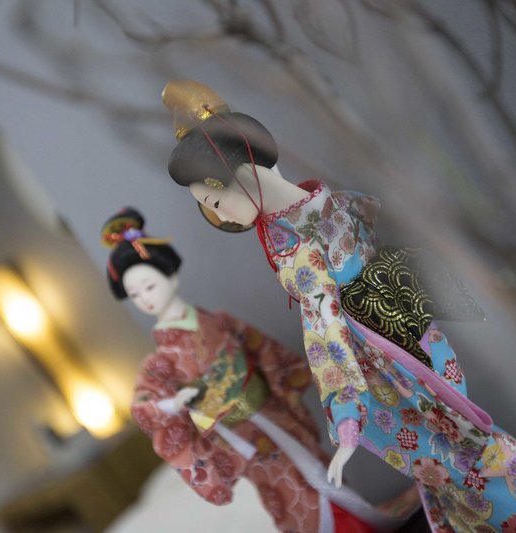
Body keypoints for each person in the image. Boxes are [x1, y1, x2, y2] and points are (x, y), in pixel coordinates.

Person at [161, 80, 516, 532]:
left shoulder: (297, 253)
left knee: (466, 464)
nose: (219, 216)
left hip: (387, 374)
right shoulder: (327, 200)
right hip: (417, 337)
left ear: (242, 173)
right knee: (471, 453)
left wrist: (347, 420)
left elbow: (324, 333)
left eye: (214, 201)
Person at [102, 207, 411, 533]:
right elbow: (144, 407)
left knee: (317, 467)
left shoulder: (219, 320)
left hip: (272, 409)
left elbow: (263, 351)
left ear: (170, 276)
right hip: (240, 436)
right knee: (287, 494)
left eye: (148, 286)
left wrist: (282, 388)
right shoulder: (159, 363)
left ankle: (359, 523)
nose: (144, 299)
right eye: (134, 294)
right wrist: (175, 403)